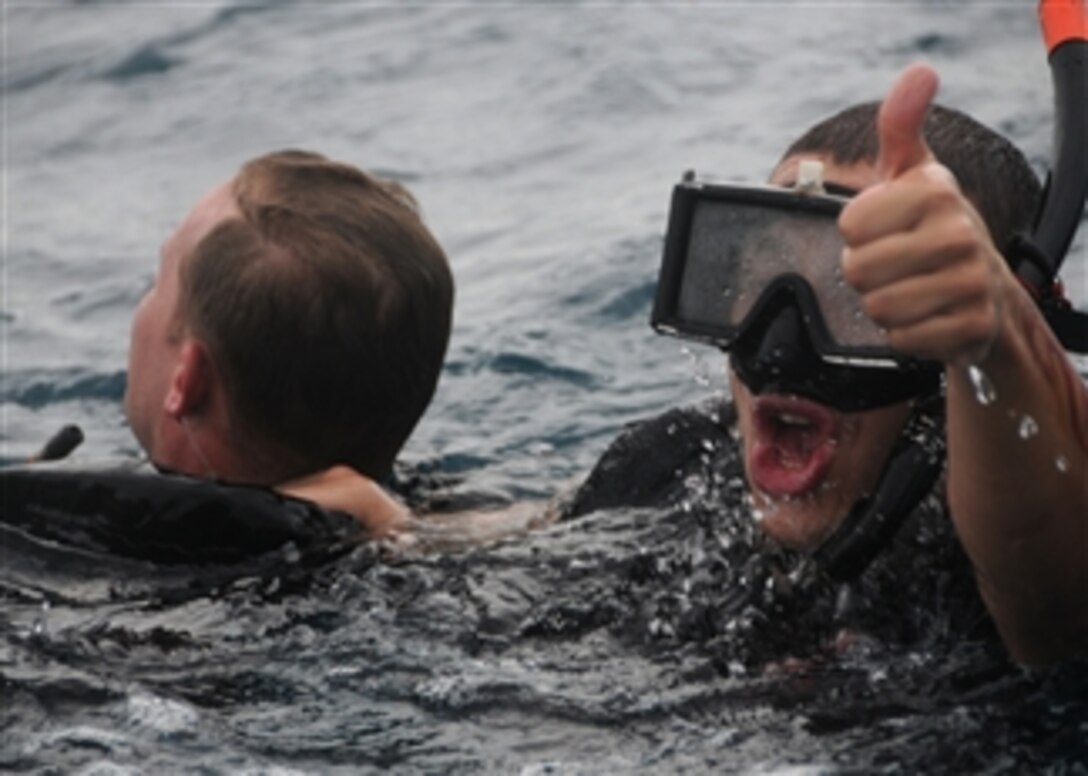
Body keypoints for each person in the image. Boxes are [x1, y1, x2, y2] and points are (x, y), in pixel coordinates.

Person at [565, 64, 1086, 667]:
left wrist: (995, 343)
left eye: (856, 296)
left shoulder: (1003, 544)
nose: (782, 349)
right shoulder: (670, 462)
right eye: (764, 278)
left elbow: (1060, 621)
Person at [122, 149, 453, 536]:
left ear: (187, 380)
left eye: (157, 284)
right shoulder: (413, 524)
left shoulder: (65, 548)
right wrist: (394, 525)